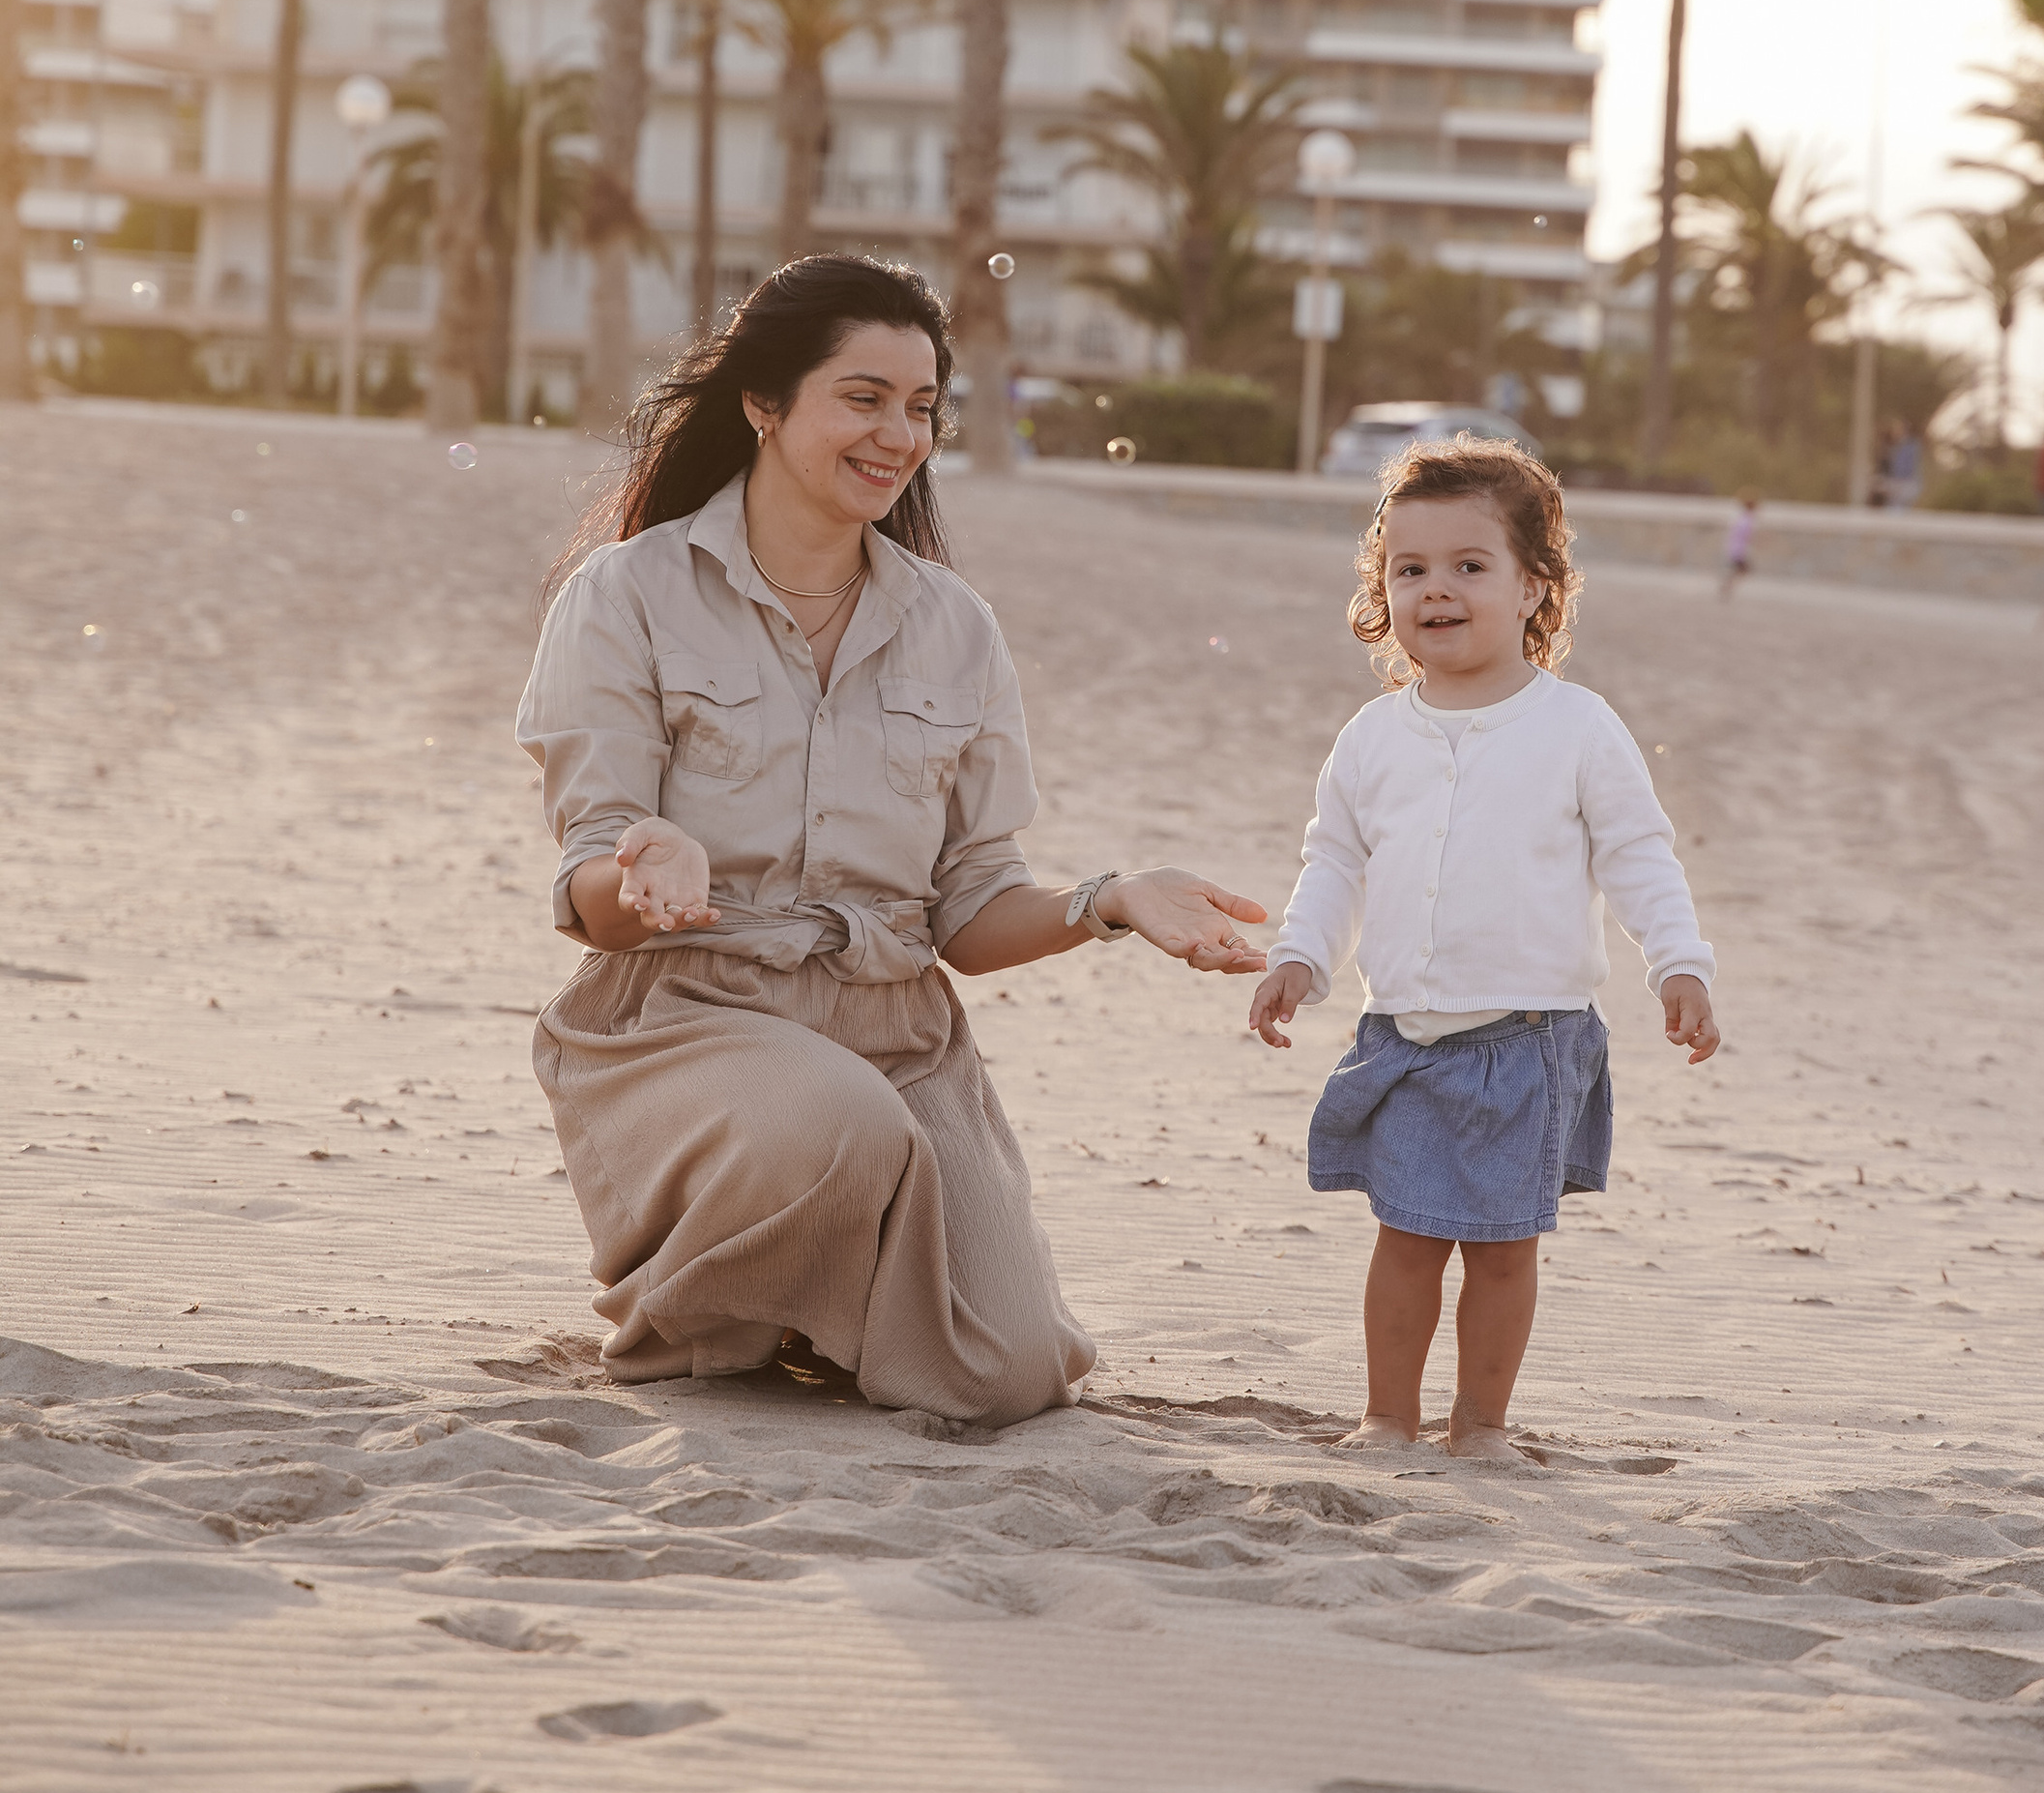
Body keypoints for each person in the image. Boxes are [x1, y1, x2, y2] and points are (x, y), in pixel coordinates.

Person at [515, 252, 1269, 1420]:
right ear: (764, 404)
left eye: (921, 408)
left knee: (1009, 1374)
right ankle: (696, 1313)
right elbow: (593, 887)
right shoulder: (625, 594)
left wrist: (1106, 903)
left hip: (895, 1036)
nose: (899, 436)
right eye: (862, 398)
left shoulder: (954, 628)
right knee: (836, 1125)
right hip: (684, 1020)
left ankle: (817, 1301)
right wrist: (644, 861)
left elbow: (968, 914)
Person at [1246, 438, 1721, 1461]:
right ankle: (1385, 1414)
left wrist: (1678, 962)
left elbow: (1639, 854)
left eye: (1470, 566)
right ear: (1382, 590)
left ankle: (1482, 1424)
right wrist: (1300, 958)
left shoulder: (1578, 728)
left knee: (1503, 1251)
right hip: (1404, 1035)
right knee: (1407, 1238)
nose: (1437, 590)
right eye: (1408, 569)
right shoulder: (1372, 737)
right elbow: (1332, 862)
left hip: (1529, 1036)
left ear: (1534, 590)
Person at [1719, 492, 1760, 600]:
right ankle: (1727, 587)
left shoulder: (1741, 517)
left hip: (1734, 548)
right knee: (1742, 571)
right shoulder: (1747, 520)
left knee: (1738, 570)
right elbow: (1746, 536)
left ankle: (1727, 587)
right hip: (1739, 550)